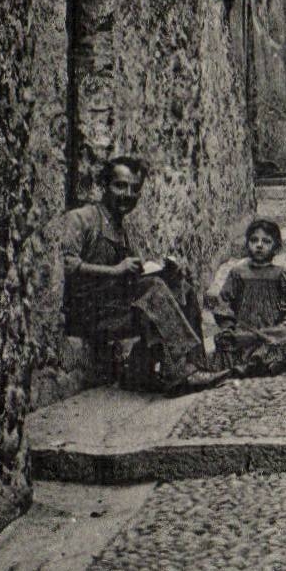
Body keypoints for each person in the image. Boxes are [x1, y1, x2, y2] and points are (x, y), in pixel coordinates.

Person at [61, 156, 228, 396]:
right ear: (104, 186)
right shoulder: (82, 218)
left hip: (114, 308)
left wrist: (167, 272)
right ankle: (179, 372)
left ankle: (194, 364)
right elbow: (66, 265)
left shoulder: (122, 228)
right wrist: (116, 270)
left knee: (181, 287)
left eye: (134, 189)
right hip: (87, 313)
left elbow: (132, 276)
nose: (127, 194)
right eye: (120, 186)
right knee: (151, 289)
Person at [211, 217, 286, 377]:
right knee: (229, 339)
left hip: (273, 329)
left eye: (266, 241)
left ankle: (263, 361)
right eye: (254, 240)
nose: (259, 245)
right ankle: (260, 361)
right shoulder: (238, 273)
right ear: (247, 244)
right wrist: (228, 325)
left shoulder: (281, 274)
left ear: (275, 247)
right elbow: (224, 302)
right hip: (245, 329)